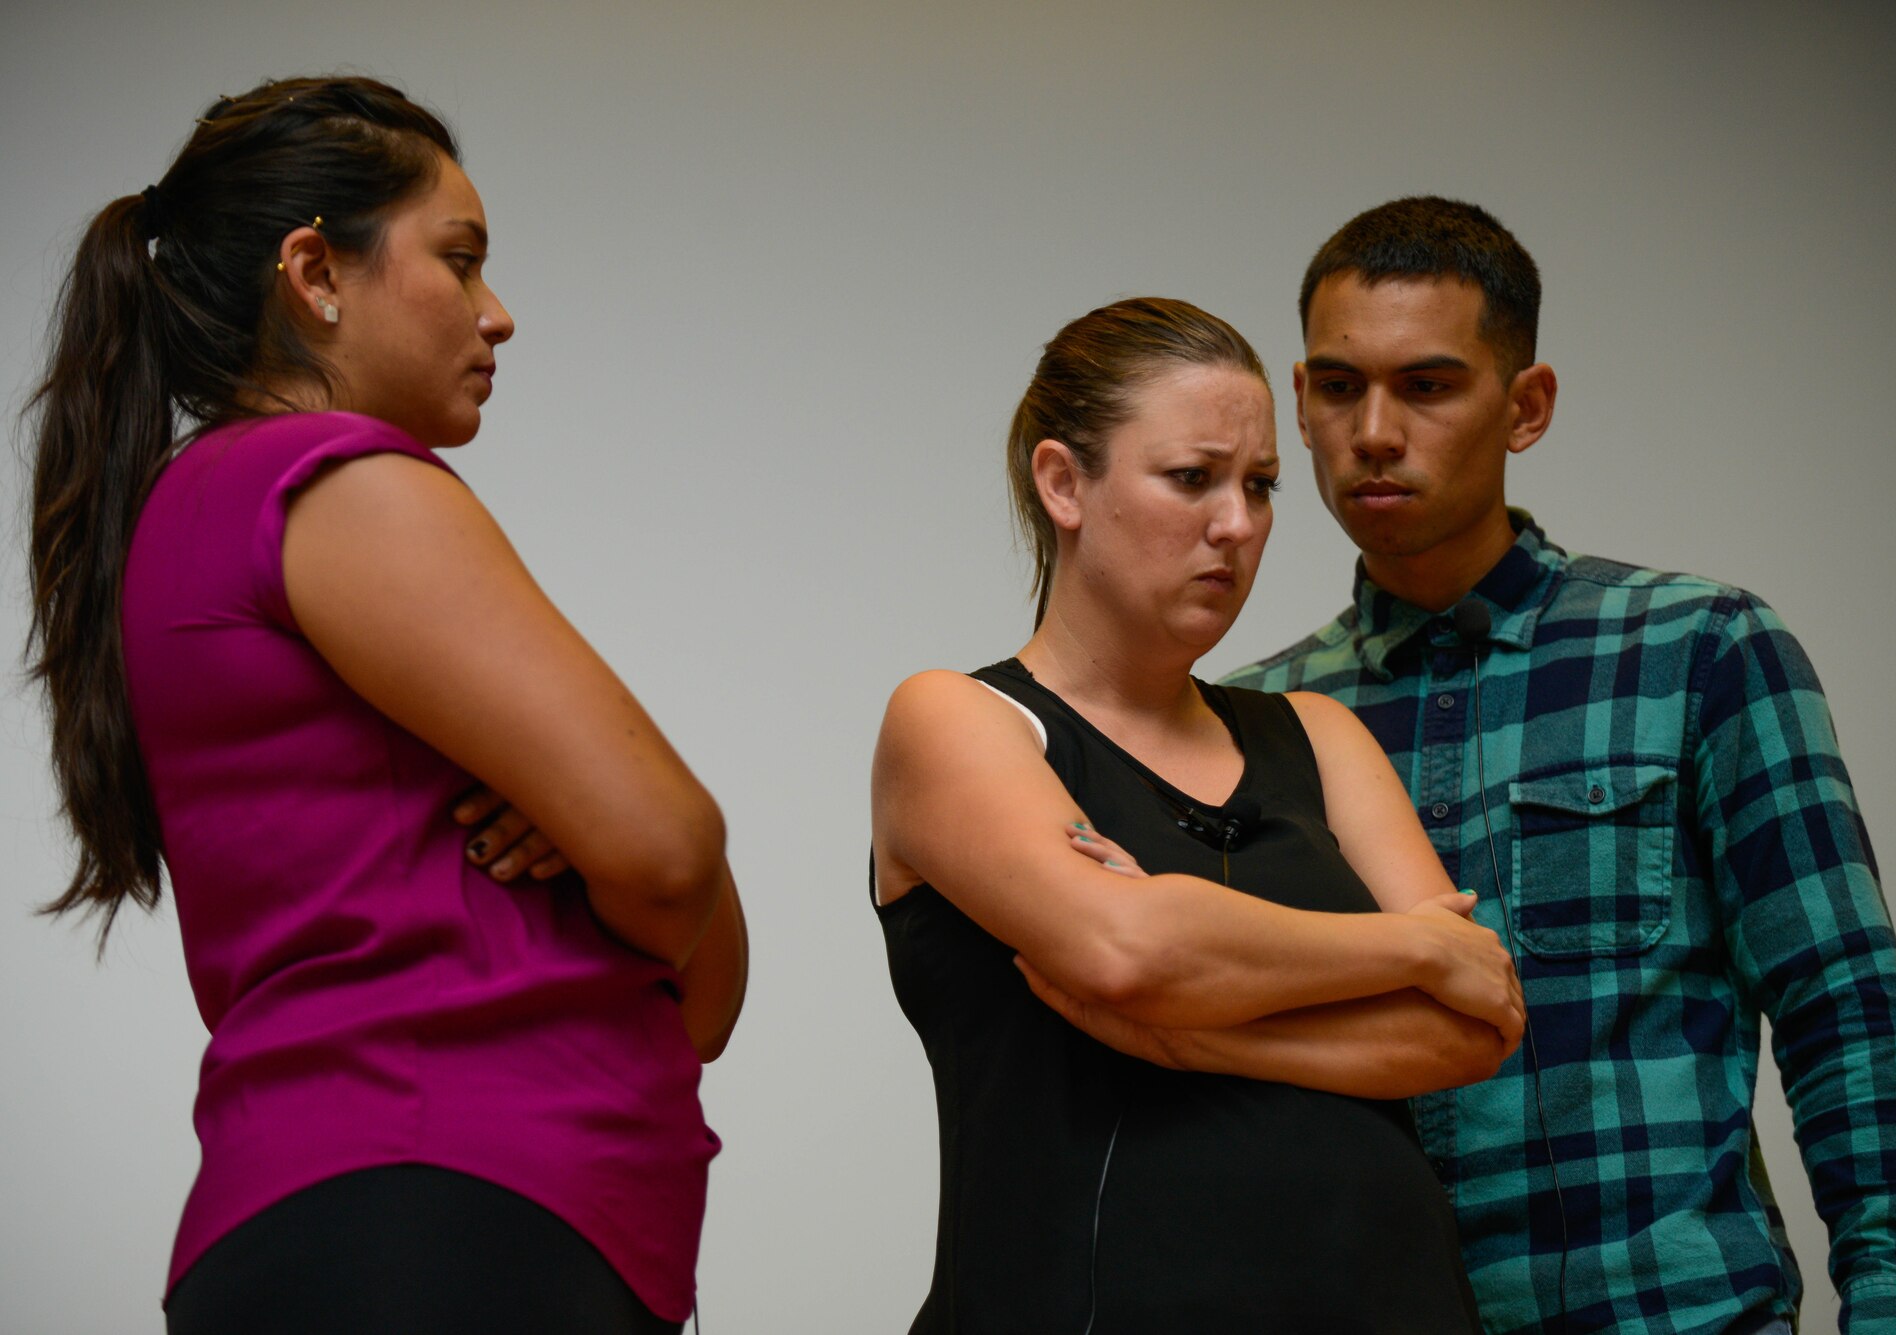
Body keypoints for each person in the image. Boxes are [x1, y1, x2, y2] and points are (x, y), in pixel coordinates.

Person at [23, 77, 746, 1334]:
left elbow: (700, 977)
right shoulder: (335, 482)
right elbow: (676, 859)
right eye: (459, 263)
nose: (497, 314)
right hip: (443, 1214)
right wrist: (610, 848)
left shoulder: (203, 509)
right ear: (315, 272)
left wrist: (602, 841)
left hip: (386, 1212)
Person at [1223, 197, 1896, 1333]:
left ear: (1524, 408)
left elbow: (1846, 1015)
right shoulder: (1254, 722)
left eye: (1426, 386)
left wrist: (1889, 1313)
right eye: (1337, 387)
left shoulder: (1699, 650)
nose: (1372, 430)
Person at [870, 296, 1528, 1333]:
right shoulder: (957, 720)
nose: (1237, 524)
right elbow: (1126, 952)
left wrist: (1202, 1041)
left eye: (1259, 486)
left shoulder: (1315, 734)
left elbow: (1468, 1027)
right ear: (1062, 483)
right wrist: (1410, 945)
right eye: (1192, 479)